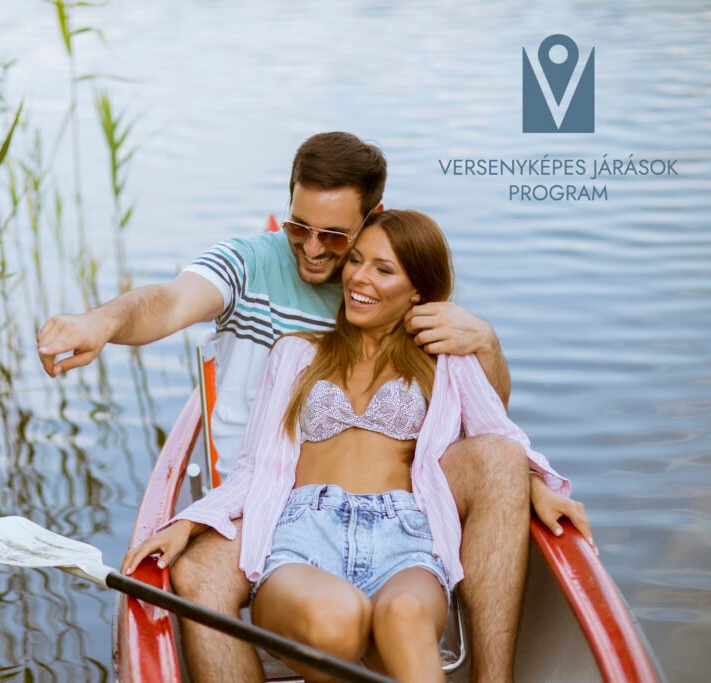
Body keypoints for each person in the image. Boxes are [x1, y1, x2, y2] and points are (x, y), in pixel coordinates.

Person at [36, 132, 582, 681]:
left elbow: (488, 426)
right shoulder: (266, 293)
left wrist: (525, 470)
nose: (315, 249)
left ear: (372, 220)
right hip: (278, 507)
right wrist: (100, 324)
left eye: (336, 237)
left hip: (404, 521)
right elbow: (170, 302)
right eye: (299, 227)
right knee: (207, 577)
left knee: (413, 600)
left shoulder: (429, 334)